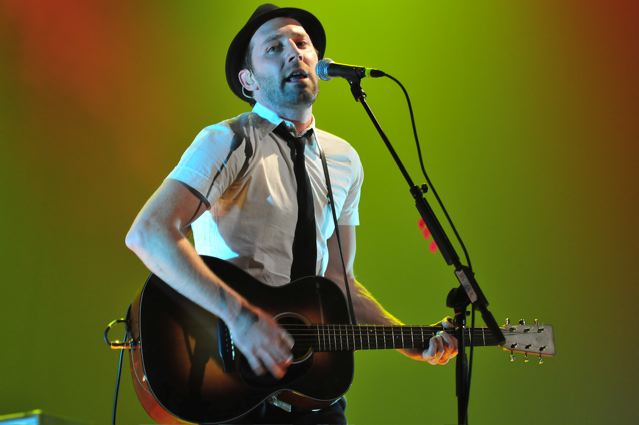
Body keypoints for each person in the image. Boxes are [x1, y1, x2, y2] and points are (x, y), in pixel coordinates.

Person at [125, 4, 457, 424]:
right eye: (274, 48)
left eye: (302, 44)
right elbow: (149, 232)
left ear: (318, 64)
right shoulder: (227, 140)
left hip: (308, 390)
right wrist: (241, 318)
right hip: (226, 376)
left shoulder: (344, 160)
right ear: (249, 81)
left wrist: (405, 336)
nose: (294, 53)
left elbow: (339, 283)